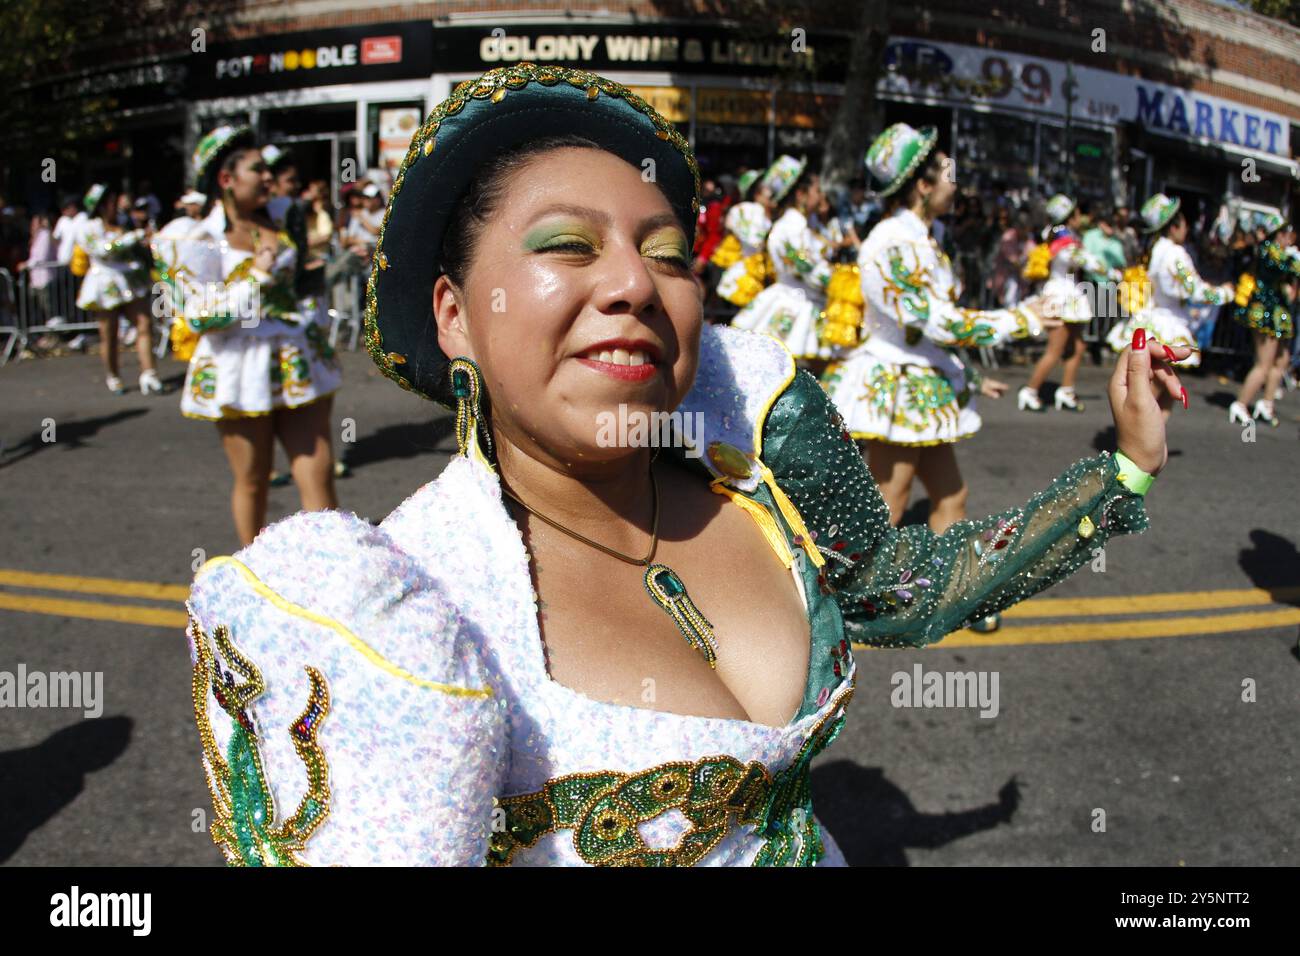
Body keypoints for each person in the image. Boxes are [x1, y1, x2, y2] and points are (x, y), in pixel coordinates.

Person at [180, 66, 1189, 868]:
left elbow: (895, 592)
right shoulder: (400, 614)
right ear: (455, 315)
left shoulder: (753, 468)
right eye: (566, 246)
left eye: (668, 254)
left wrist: (1120, 474)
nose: (632, 281)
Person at [821, 122, 1052, 619]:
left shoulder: (926, 238)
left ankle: (949, 594)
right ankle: (845, 603)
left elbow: (933, 334)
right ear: (922, 184)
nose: (956, 183)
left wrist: (966, 375)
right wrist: (1023, 318)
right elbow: (937, 321)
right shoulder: (892, 242)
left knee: (952, 494)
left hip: (921, 380)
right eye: (948, 174)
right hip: (897, 384)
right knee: (890, 501)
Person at [155, 126, 342, 545]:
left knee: (318, 468)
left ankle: (336, 571)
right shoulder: (195, 238)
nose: (268, 177)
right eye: (257, 169)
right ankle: (255, 581)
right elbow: (199, 316)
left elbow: (298, 282)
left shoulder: (280, 216)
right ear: (226, 179)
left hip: (295, 357)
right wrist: (257, 274)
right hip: (238, 364)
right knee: (254, 478)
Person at [1105, 194, 1232, 388]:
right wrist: (1225, 293)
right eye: (1183, 224)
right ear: (1174, 227)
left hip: (1154, 318)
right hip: (1168, 324)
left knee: (1162, 391)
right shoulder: (1175, 253)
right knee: (1157, 391)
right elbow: (1195, 290)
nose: (1186, 229)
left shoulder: (1155, 250)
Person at [730, 154, 836, 365]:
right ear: (801, 194)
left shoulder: (805, 226)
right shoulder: (791, 228)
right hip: (796, 306)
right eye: (816, 190)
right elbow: (814, 273)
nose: (821, 195)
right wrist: (847, 282)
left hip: (808, 303)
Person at [1020, 195, 1120, 413]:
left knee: (1078, 346)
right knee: (1055, 350)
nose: (1081, 217)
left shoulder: (1066, 236)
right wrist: (1113, 273)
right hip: (1061, 296)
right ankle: (1029, 391)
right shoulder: (1063, 239)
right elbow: (1085, 260)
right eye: (1076, 213)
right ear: (1069, 216)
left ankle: (1066, 391)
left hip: (1071, 295)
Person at [73, 183, 161, 394]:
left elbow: (132, 251)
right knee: (109, 335)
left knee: (144, 325)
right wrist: (134, 237)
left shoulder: (123, 222)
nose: (116, 205)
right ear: (102, 206)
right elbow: (103, 251)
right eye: (112, 202)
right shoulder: (88, 227)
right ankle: (113, 376)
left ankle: (149, 374)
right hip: (104, 285)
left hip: (130, 282)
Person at [1228, 213, 1298, 426]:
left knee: (1281, 360)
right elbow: (1289, 267)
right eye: (1285, 232)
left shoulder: (1281, 252)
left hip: (1278, 311)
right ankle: (1241, 403)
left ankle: (1266, 403)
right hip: (1266, 311)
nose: (1289, 236)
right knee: (1263, 365)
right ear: (1276, 234)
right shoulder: (1270, 251)